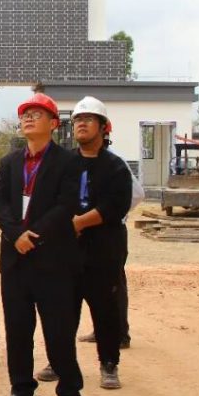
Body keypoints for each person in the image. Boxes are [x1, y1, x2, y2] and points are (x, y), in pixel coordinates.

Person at [0, 92, 85, 396]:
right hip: (15, 259)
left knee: (58, 330)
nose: (28, 118)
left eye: (37, 114)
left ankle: (70, 393)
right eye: (25, 114)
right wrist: (15, 235)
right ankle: (21, 389)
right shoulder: (10, 162)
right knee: (18, 329)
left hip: (52, 260)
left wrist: (34, 235)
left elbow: (66, 204)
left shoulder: (68, 161)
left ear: (53, 123)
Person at [66, 97, 134, 390]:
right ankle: (60, 360)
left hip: (104, 248)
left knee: (105, 308)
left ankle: (109, 363)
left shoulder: (115, 167)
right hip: (69, 249)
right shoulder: (65, 163)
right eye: (77, 120)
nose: (81, 124)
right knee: (64, 309)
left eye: (88, 119)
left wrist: (79, 223)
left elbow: (115, 206)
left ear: (103, 127)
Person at [78, 117, 142, 350]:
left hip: (109, 233)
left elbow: (137, 193)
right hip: (87, 232)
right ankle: (102, 330)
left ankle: (120, 334)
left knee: (113, 284)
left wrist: (117, 214)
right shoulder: (83, 162)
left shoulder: (116, 163)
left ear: (103, 133)